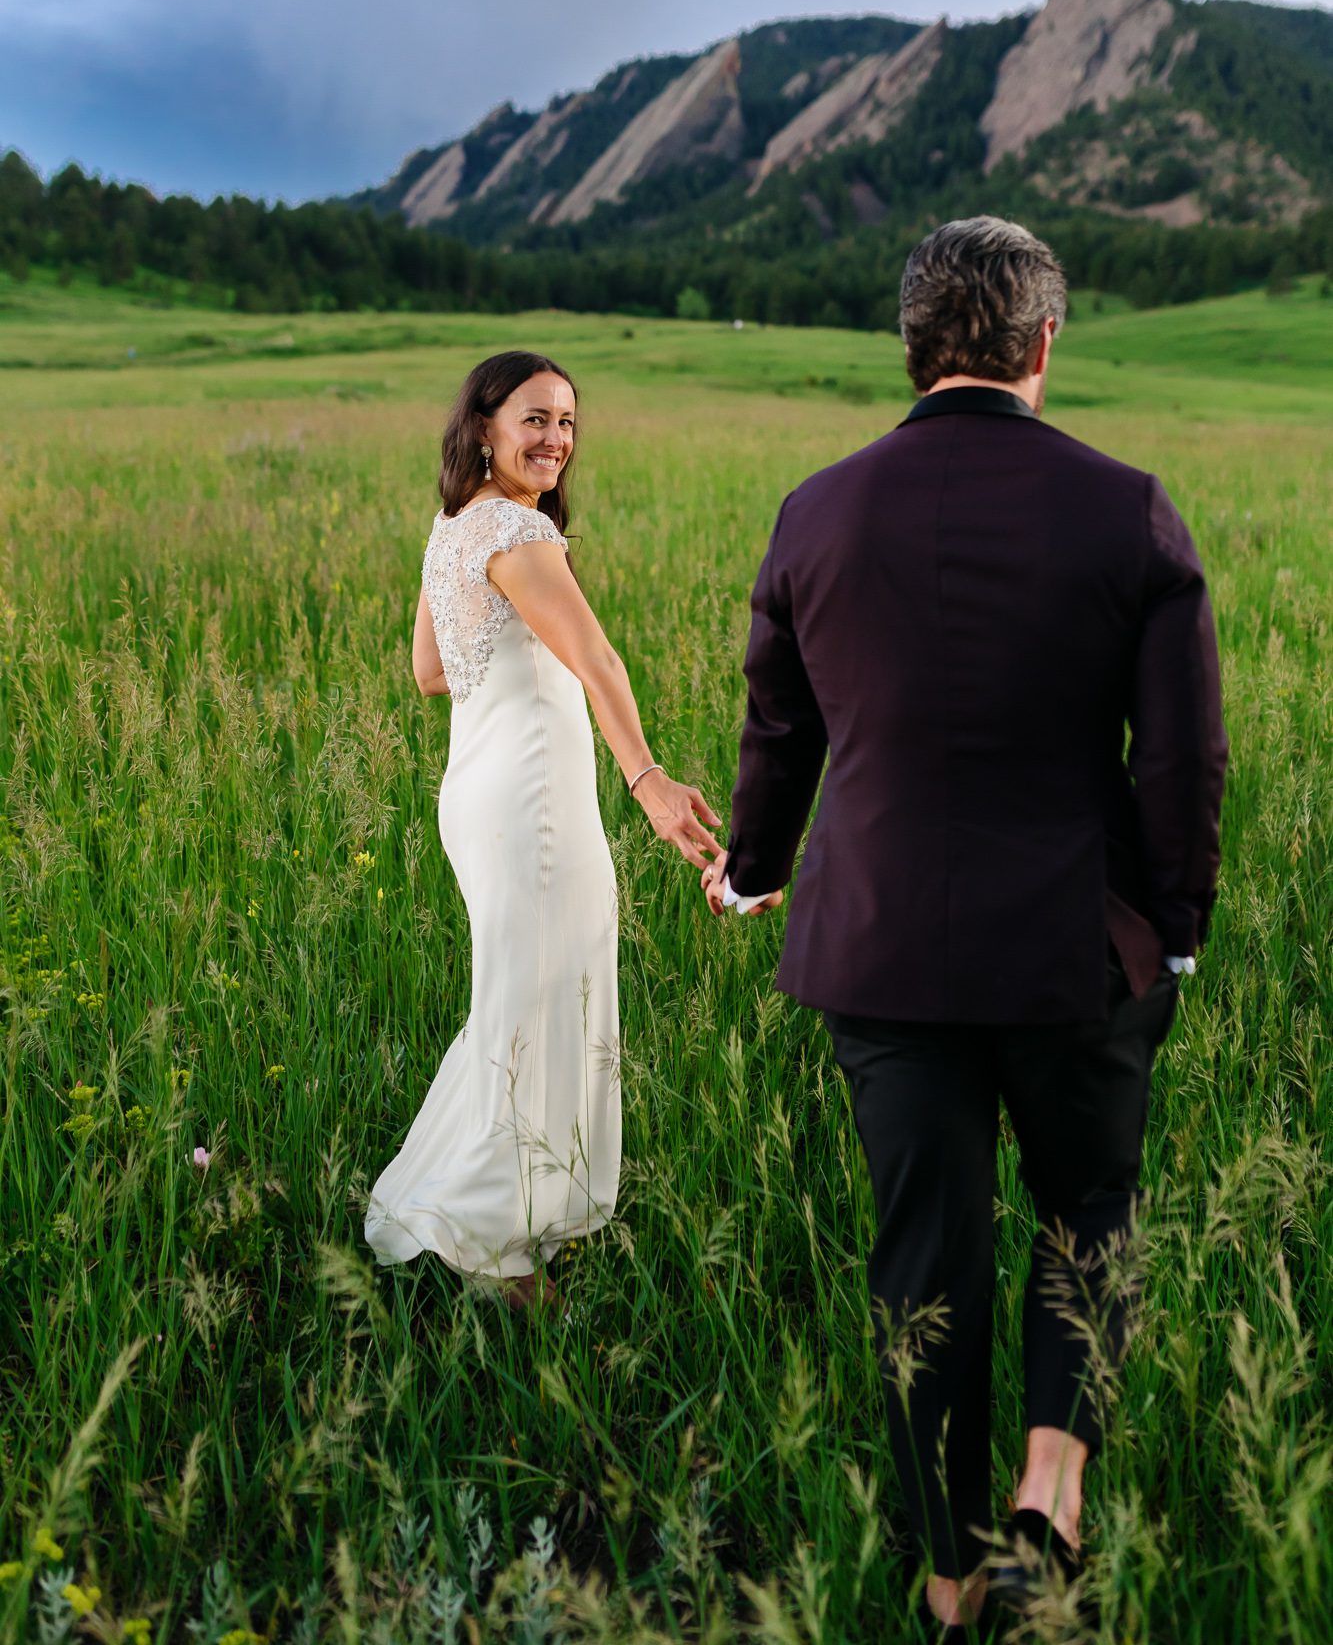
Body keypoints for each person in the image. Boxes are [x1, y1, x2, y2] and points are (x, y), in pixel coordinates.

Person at [703, 218, 1227, 1630]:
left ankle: (945, 1585)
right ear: (1044, 342)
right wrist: (1172, 924)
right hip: (1079, 946)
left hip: (878, 951)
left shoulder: (816, 509)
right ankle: (1047, 1492)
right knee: (1089, 1212)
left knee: (923, 1261)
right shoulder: (1128, 507)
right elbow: (1182, 757)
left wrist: (754, 865)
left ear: (913, 344)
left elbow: (777, 724)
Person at [365, 350, 722, 1311]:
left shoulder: (454, 524)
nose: (556, 440)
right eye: (534, 419)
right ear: (482, 425)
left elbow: (431, 672)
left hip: (481, 795)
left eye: (567, 421)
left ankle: (500, 1206)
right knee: (539, 1004)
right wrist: (646, 778)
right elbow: (597, 657)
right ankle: (497, 1245)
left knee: (521, 998)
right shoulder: (517, 531)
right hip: (530, 808)